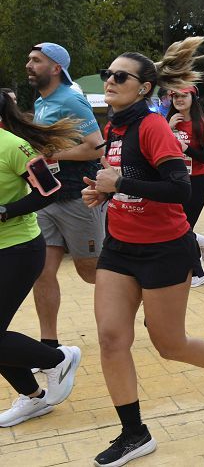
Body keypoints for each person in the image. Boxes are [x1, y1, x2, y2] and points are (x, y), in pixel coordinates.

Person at [84, 38, 204, 466]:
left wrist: (118, 185)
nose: (110, 80)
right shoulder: (115, 127)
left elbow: (179, 189)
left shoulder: (153, 126)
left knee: (169, 343)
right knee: (110, 338)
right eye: (108, 73)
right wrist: (104, 195)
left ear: (143, 88)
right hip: (120, 248)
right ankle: (134, 433)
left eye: (120, 76)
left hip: (164, 250)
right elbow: (128, 179)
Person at [0, 91, 83, 428]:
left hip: (20, 249)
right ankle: (34, 398)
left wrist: (6, 211)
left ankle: (59, 358)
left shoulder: (11, 146)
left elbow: (49, 188)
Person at [24, 43, 107, 360]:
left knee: (90, 272)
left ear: (56, 67)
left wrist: (54, 155)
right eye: (29, 60)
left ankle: (142, 299)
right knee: (42, 272)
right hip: (47, 197)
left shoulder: (71, 98)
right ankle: (50, 347)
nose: (28, 65)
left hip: (77, 197)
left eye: (36, 61)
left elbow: (97, 147)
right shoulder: (43, 101)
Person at [167, 87, 204, 287]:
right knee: (178, 227)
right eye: (175, 96)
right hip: (174, 181)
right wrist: (168, 128)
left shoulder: (201, 125)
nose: (179, 99)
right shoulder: (168, 123)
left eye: (183, 95)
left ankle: (199, 272)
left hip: (196, 182)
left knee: (183, 229)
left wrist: (186, 148)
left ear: (192, 98)